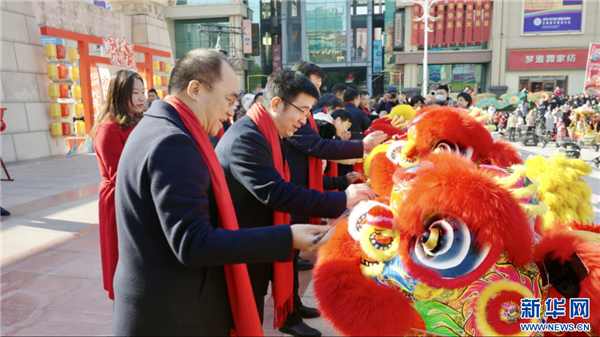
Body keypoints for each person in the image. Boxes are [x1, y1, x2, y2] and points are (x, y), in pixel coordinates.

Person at [113, 49, 334, 336]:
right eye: (229, 99)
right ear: (195, 89)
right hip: (172, 312)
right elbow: (192, 242)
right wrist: (287, 236)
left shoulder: (161, 126)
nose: (232, 110)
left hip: (167, 300)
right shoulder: (172, 143)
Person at [215, 69, 378, 337]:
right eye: (302, 110)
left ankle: (289, 312)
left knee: (253, 308)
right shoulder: (247, 136)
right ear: (276, 103)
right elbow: (277, 193)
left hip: (258, 233)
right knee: (242, 315)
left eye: (309, 112)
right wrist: (343, 198)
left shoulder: (265, 131)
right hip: (243, 240)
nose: (304, 120)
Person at [92, 69, 145, 301]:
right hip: (118, 199)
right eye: (135, 93)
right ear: (120, 94)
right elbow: (119, 175)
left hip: (135, 194)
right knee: (121, 260)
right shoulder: (108, 128)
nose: (142, 97)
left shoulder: (136, 121)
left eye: (143, 91)